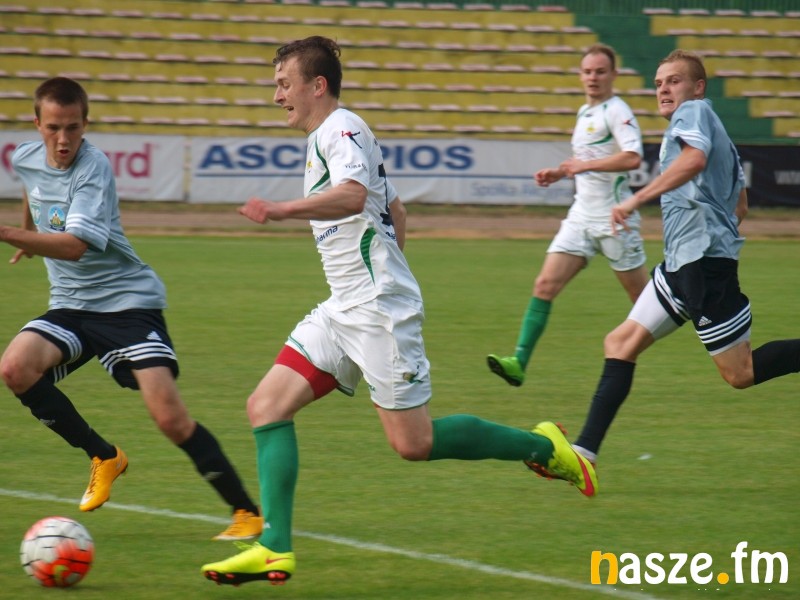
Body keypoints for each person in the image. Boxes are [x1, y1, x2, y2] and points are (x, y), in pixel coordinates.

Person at [200, 36, 597, 587]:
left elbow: (353, 195)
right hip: (347, 306)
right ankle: (274, 548)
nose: (277, 96)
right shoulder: (328, 135)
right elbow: (395, 208)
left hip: (376, 310)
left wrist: (284, 210)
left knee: (414, 443)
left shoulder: (341, 129)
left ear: (317, 85)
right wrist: (385, 269)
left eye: (284, 84)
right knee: (266, 405)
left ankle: (545, 447)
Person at [0, 76, 263, 541]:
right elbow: (32, 188)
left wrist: (8, 234)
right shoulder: (25, 156)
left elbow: (75, 246)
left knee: (169, 417)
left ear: (86, 124)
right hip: (71, 306)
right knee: (15, 368)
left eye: (73, 128)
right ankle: (104, 456)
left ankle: (246, 513)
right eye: (54, 128)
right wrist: (29, 236)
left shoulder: (93, 168)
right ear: (37, 124)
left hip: (126, 303)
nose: (63, 140)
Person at [562, 50, 800, 467]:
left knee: (740, 373)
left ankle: (585, 452)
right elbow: (740, 203)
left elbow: (694, 160)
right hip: (683, 263)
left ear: (698, 87)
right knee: (620, 343)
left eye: (674, 81)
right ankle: (584, 454)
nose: (664, 90)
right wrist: (713, 234)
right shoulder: (715, 129)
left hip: (701, 265)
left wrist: (636, 199)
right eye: (658, 83)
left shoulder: (694, 113)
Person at [487, 44, 649, 387]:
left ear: (614, 75)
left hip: (614, 218)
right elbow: (584, 160)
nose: (593, 77)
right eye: (588, 71)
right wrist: (560, 173)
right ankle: (518, 362)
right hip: (581, 217)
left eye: (600, 71)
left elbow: (633, 157)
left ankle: (706, 329)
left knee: (645, 300)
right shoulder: (585, 112)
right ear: (580, 75)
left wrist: (585, 166)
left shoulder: (617, 111)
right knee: (544, 285)